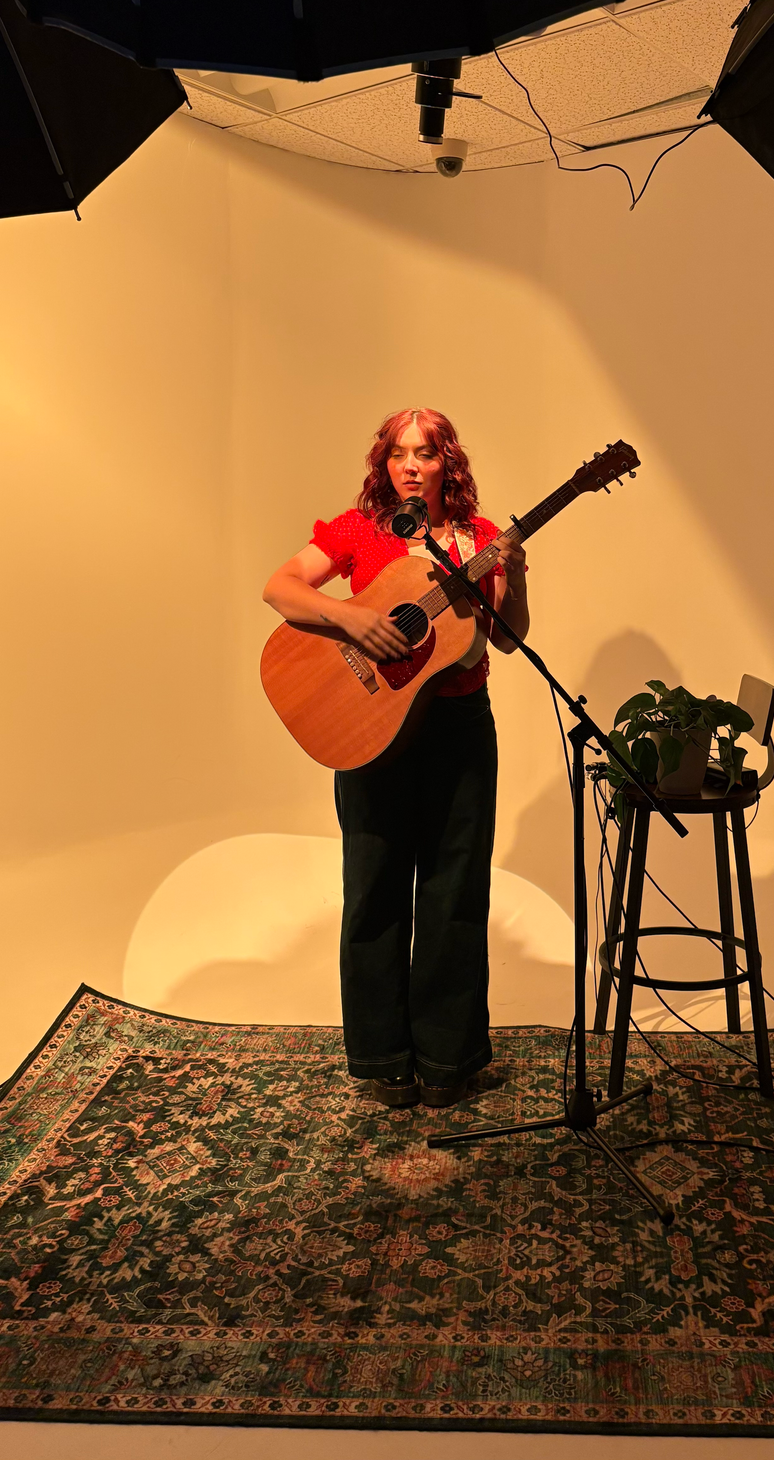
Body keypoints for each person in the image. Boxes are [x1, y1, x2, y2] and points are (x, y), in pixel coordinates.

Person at [263, 409, 529, 1108]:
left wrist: (517, 578)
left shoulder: (480, 540)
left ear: (448, 465)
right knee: (375, 885)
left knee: (455, 888)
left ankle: (447, 1060)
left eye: (426, 453)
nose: (412, 465)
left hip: (459, 725)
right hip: (370, 727)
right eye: (399, 454)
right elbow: (280, 587)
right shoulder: (360, 530)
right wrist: (351, 616)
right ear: (385, 465)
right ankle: (384, 1059)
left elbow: (507, 639)